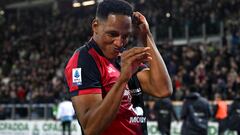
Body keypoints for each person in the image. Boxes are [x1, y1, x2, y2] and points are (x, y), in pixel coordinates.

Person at [64, 0, 173, 134]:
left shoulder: (124, 59)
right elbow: (91, 128)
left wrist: (146, 36)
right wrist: (122, 79)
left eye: (125, 36)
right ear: (95, 26)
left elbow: (163, 89)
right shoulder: (84, 60)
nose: (119, 42)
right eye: (112, 34)